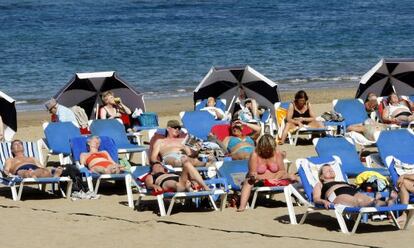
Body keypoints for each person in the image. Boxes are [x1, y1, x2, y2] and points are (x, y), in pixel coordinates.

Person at [237, 134, 297, 211]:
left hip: (276, 178)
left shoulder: (277, 153)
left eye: (270, 149)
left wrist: (275, 179)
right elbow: (252, 172)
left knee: (293, 176)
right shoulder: (255, 155)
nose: (268, 151)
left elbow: (282, 171)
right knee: (248, 182)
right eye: (266, 149)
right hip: (260, 180)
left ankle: (302, 199)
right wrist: (259, 178)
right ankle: (242, 206)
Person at [313, 164, 394, 209]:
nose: (330, 171)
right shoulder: (320, 184)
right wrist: (324, 201)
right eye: (327, 171)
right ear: (321, 177)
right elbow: (316, 199)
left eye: (331, 170)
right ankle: (384, 203)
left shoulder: (342, 181)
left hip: (352, 190)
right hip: (336, 194)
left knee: (369, 200)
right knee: (358, 201)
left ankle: (385, 203)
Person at [144, 161, 210, 193]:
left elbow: (183, 176)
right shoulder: (151, 175)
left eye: (161, 166)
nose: (160, 166)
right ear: (152, 171)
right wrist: (154, 186)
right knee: (174, 183)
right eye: (157, 166)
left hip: (179, 178)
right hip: (164, 181)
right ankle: (186, 187)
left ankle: (203, 185)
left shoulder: (171, 172)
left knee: (187, 164)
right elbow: (148, 184)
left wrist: (192, 180)